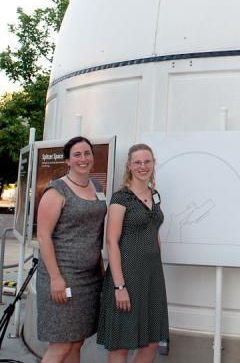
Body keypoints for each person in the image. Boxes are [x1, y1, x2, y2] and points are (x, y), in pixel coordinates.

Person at [36, 136, 108, 363]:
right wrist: (56, 278)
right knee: (62, 344)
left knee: (77, 341)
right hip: (63, 277)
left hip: (89, 279)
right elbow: (43, 236)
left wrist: (101, 268)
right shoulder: (56, 191)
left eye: (87, 153)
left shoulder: (97, 187)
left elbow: (96, 232)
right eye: (77, 154)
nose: (83, 159)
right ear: (67, 160)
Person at [97, 143, 168, 362]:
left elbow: (154, 231)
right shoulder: (121, 198)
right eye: (137, 162)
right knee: (121, 343)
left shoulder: (155, 195)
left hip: (152, 276)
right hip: (127, 275)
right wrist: (120, 286)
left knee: (152, 340)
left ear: (153, 164)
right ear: (129, 165)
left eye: (147, 161)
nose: (142, 166)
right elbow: (111, 241)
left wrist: (157, 266)